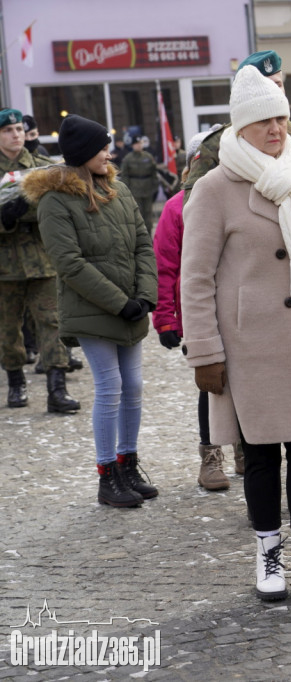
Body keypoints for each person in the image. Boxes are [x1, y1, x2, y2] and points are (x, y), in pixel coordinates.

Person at [180, 65, 291, 600]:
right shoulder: (214, 188)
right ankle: (268, 555)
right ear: (240, 127)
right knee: (259, 456)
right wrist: (204, 351)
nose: (276, 129)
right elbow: (195, 277)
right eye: (264, 121)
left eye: (281, 118)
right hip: (249, 345)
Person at [27, 114, 157, 506]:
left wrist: (144, 295)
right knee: (110, 387)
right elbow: (69, 263)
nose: (109, 152)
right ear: (83, 153)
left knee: (132, 388)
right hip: (94, 309)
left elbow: (142, 243)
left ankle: (127, 461)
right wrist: (120, 303)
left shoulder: (117, 190)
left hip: (130, 307)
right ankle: (107, 475)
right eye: (102, 147)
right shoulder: (54, 201)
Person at [153, 126, 238, 492]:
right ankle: (210, 456)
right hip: (200, 312)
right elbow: (165, 265)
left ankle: (246, 449)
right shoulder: (177, 207)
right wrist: (165, 318)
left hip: (238, 307)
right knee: (212, 385)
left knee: (246, 382)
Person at [0, 107, 79, 414]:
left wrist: (26, 207)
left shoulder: (44, 168)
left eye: (19, 129)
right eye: (8, 131)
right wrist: (5, 218)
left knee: (53, 322)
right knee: (8, 328)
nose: (15, 135)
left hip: (43, 260)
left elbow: (59, 208)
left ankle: (57, 388)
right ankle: (16, 380)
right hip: (4, 267)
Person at [182, 50, 291, 206]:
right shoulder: (215, 147)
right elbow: (193, 211)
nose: (272, 91)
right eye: (264, 85)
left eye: (277, 84)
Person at [120, 135, 159, 234]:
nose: (138, 146)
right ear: (133, 145)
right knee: (138, 213)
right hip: (135, 190)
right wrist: (127, 190)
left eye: (140, 143)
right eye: (136, 144)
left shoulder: (148, 157)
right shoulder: (128, 158)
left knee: (148, 213)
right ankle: (141, 235)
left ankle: (149, 234)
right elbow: (125, 175)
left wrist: (155, 187)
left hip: (147, 189)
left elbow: (154, 173)